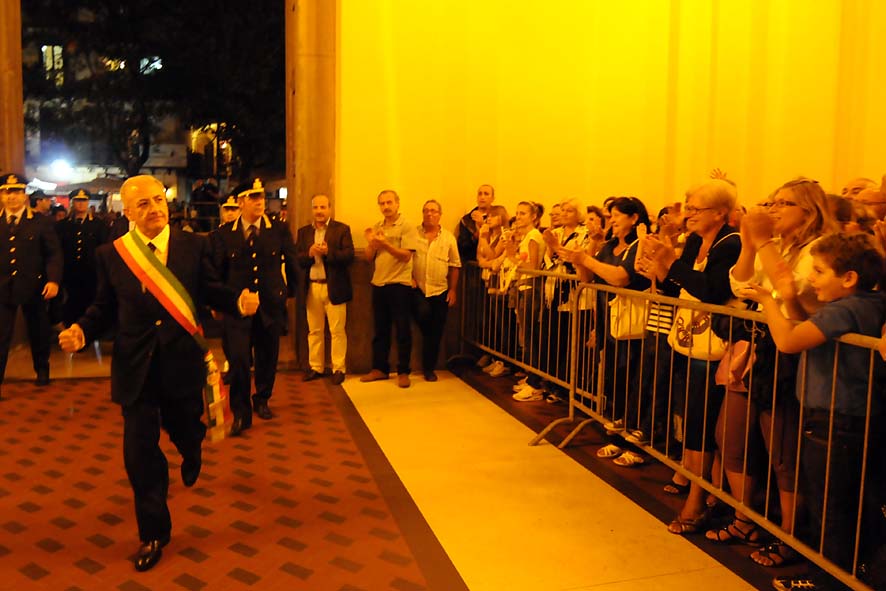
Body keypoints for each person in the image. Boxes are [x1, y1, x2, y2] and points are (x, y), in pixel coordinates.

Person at [58, 175, 258, 572]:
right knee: (139, 454)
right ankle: (153, 532)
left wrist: (237, 301)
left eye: (158, 200)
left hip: (181, 362)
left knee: (185, 426)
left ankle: (191, 445)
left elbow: (211, 289)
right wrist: (82, 330)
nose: (154, 209)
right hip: (135, 367)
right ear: (128, 212)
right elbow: (104, 307)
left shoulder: (193, 245)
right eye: (143, 204)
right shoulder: (112, 254)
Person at [740, 232, 886, 591]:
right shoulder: (870, 302)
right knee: (848, 504)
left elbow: (789, 341)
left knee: (830, 508)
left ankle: (828, 580)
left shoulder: (844, 309)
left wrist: (769, 300)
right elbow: (809, 328)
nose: (812, 278)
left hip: (834, 419)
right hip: (852, 417)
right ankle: (853, 572)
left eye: (819, 271)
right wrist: (791, 299)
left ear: (848, 278)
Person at [210, 178, 298, 436]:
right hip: (237, 308)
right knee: (238, 359)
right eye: (253, 197)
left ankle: (262, 398)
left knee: (267, 356)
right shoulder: (223, 234)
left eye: (261, 197)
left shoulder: (278, 230)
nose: (260, 202)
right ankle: (241, 412)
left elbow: (292, 262)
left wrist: (290, 294)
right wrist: (219, 302)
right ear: (240, 202)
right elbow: (217, 272)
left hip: (270, 304)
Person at [0, 173, 62, 396]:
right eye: (6, 192)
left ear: (24, 194)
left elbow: (53, 254)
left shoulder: (40, 221)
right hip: (2, 287)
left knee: (38, 332)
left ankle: (42, 370)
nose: (11, 197)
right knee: (1, 335)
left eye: (16, 192)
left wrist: (53, 280)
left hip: (34, 286)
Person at [360, 190, 419, 388]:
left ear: (397, 203)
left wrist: (385, 244)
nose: (386, 206)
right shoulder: (377, 226)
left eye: (389, 202)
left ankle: (403, 371)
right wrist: (372, 244)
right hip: (379, 283)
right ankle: (380, 369)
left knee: (403, 330)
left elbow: (406, 256)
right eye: (382, 203)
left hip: (400, 284)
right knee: (380, 330)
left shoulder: (407, 226)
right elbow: (368, 257)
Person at [295, 194, 354, 385]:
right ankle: (316, 367)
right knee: (314, 331)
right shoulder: (304, 232)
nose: (319, 211)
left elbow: (349, 256)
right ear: (311, 209)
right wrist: (310, 253)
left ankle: (338, 368)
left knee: (337, 331)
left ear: (330, 208)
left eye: (323, 207)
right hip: (312, 287)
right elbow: (297, 259)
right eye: (316, 207)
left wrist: (329, 253)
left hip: (335, 287)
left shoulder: (341, 229)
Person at [412, 199, 461, 381]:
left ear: (440, 215)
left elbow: (455, 265)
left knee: (436, 331)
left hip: (440, 290)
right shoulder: (413, 234)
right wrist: (409, 278)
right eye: (426, 210)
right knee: (424, 318)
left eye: (433, 211)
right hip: (418, 289)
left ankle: (429, 368)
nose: (429, 214)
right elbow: (405, 258)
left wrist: (453, 290)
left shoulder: (448, 238)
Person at [57, 189, 109, 325]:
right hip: (69, 271)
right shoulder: (63, 225)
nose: (81, 204)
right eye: (77, 201)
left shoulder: (98, 225)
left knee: (90, 299)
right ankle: (70, 325)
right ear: (72, 203)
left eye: (84, 201)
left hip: (91, 271)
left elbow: (103, 247)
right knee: (71, 301)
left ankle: (87, 327)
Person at [456, 184, 495, 262]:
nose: (482, 197)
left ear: (493, 198)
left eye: (486, 194)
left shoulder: (497, 217)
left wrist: (483, 225)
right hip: (473, 263)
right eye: (480, 194)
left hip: (493, 261)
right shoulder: (466, 220)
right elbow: (462, 248)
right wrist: (476, 234)